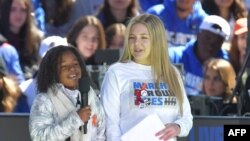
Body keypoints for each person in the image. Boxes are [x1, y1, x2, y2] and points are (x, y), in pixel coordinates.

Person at [100, 14, 193, 141]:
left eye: (144, 38)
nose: (136, 43)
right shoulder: (116, 72)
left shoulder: (172, 73)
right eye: (132, 38)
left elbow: (186, 117)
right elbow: (110, 123)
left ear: (157, 40)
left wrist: (178, 127)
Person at [29, 46, 105, 141]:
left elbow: (101, 131)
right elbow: (39, 137)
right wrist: (76, 119)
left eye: (75, 64)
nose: (72, 69)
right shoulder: (44, 100)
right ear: (53, 72)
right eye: (64, 66)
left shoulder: (90, 95)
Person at [169, 15, 231, 95]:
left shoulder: (225, 65)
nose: (211, 44)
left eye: (217, 41)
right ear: (198, 35)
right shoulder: (173, 57)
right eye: (207, 38)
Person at [0, 0, 44, 80]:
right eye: (13, 9)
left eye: (23, 10)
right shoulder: (1, 41)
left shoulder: (36, 38)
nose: (18, 14)